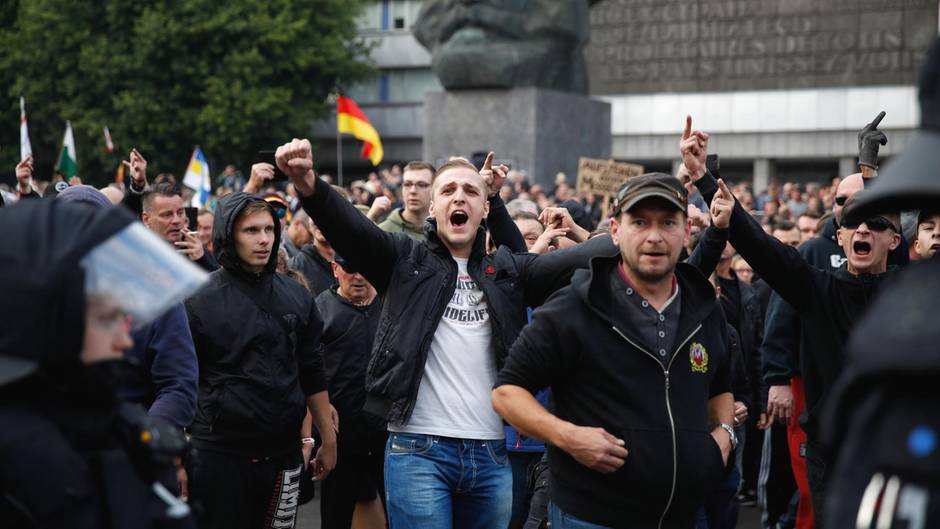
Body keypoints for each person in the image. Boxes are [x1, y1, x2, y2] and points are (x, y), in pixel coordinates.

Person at [275, 139, 609, 529]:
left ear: (485, 208)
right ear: (433, 208)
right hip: (417, 452)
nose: (459, 198)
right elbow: (350, 229)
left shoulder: (509, 272)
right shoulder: (404, 260)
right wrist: (308, 183)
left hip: (490, 455)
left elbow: (601, 254)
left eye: (470, 190)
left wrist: (584, 230)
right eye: (448, 190)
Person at [683, 115, 903, 527]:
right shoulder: (816, 289)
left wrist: (869, 170)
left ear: (895, 240)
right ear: (838, 236)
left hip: (894, 449)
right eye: (853, 223)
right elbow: (758, 243)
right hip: (831, 451)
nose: (863, 230)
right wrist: (704, 179)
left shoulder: (912, 291)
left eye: (877, 225)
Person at [492, 172, 735, 528]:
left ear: (686, 231)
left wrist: (724, 437)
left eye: (667, 222)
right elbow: (506, 394)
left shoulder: (703, 306)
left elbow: (720, 385)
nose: (654, 235)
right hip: (592, 516)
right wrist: (568, 437)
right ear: (615, 231)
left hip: (684, 514)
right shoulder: (575, 305)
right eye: (639, 222)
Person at [0, 198, 206, 528]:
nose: (125, 340)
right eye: (108, 319)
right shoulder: (18, 457)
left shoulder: (120, 429)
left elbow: (179, 383)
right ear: (52, 322)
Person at [184, 192, 336, 529]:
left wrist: (328, 437)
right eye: (251, 230)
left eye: (269, 229)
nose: (264, 239)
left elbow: (311, 369)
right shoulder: (196, 298)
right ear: (228, 235)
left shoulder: (296, 295)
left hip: (283, 453)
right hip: (219, 454)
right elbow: (179, 380)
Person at [317, 255, 387, 529]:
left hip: (388, 430)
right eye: (349, 269)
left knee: (399, 511)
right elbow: (305, 367)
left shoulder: (391, 305)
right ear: (335, 270)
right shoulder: (320, 309)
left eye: (365, 269)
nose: (358, 277)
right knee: (337, 513)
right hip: (341, 432)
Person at [141, 183, 219, 272]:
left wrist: (202, 261)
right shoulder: (135, 254)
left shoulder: (201, 254)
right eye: (167, 215)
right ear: (146, 219)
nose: (176, 220)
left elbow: (225, 284)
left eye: (180, 213)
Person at [379, 161, 436, 241]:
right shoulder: (384, 232)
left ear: (434, 189)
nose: (412, 191)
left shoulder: (445, 231)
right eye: (407, 184)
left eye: (421, 185)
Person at [289, 214, 337, 295]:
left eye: (328, 212)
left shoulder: (354, 261)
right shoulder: (295, 267)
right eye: (313, 214)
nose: (320, 221)